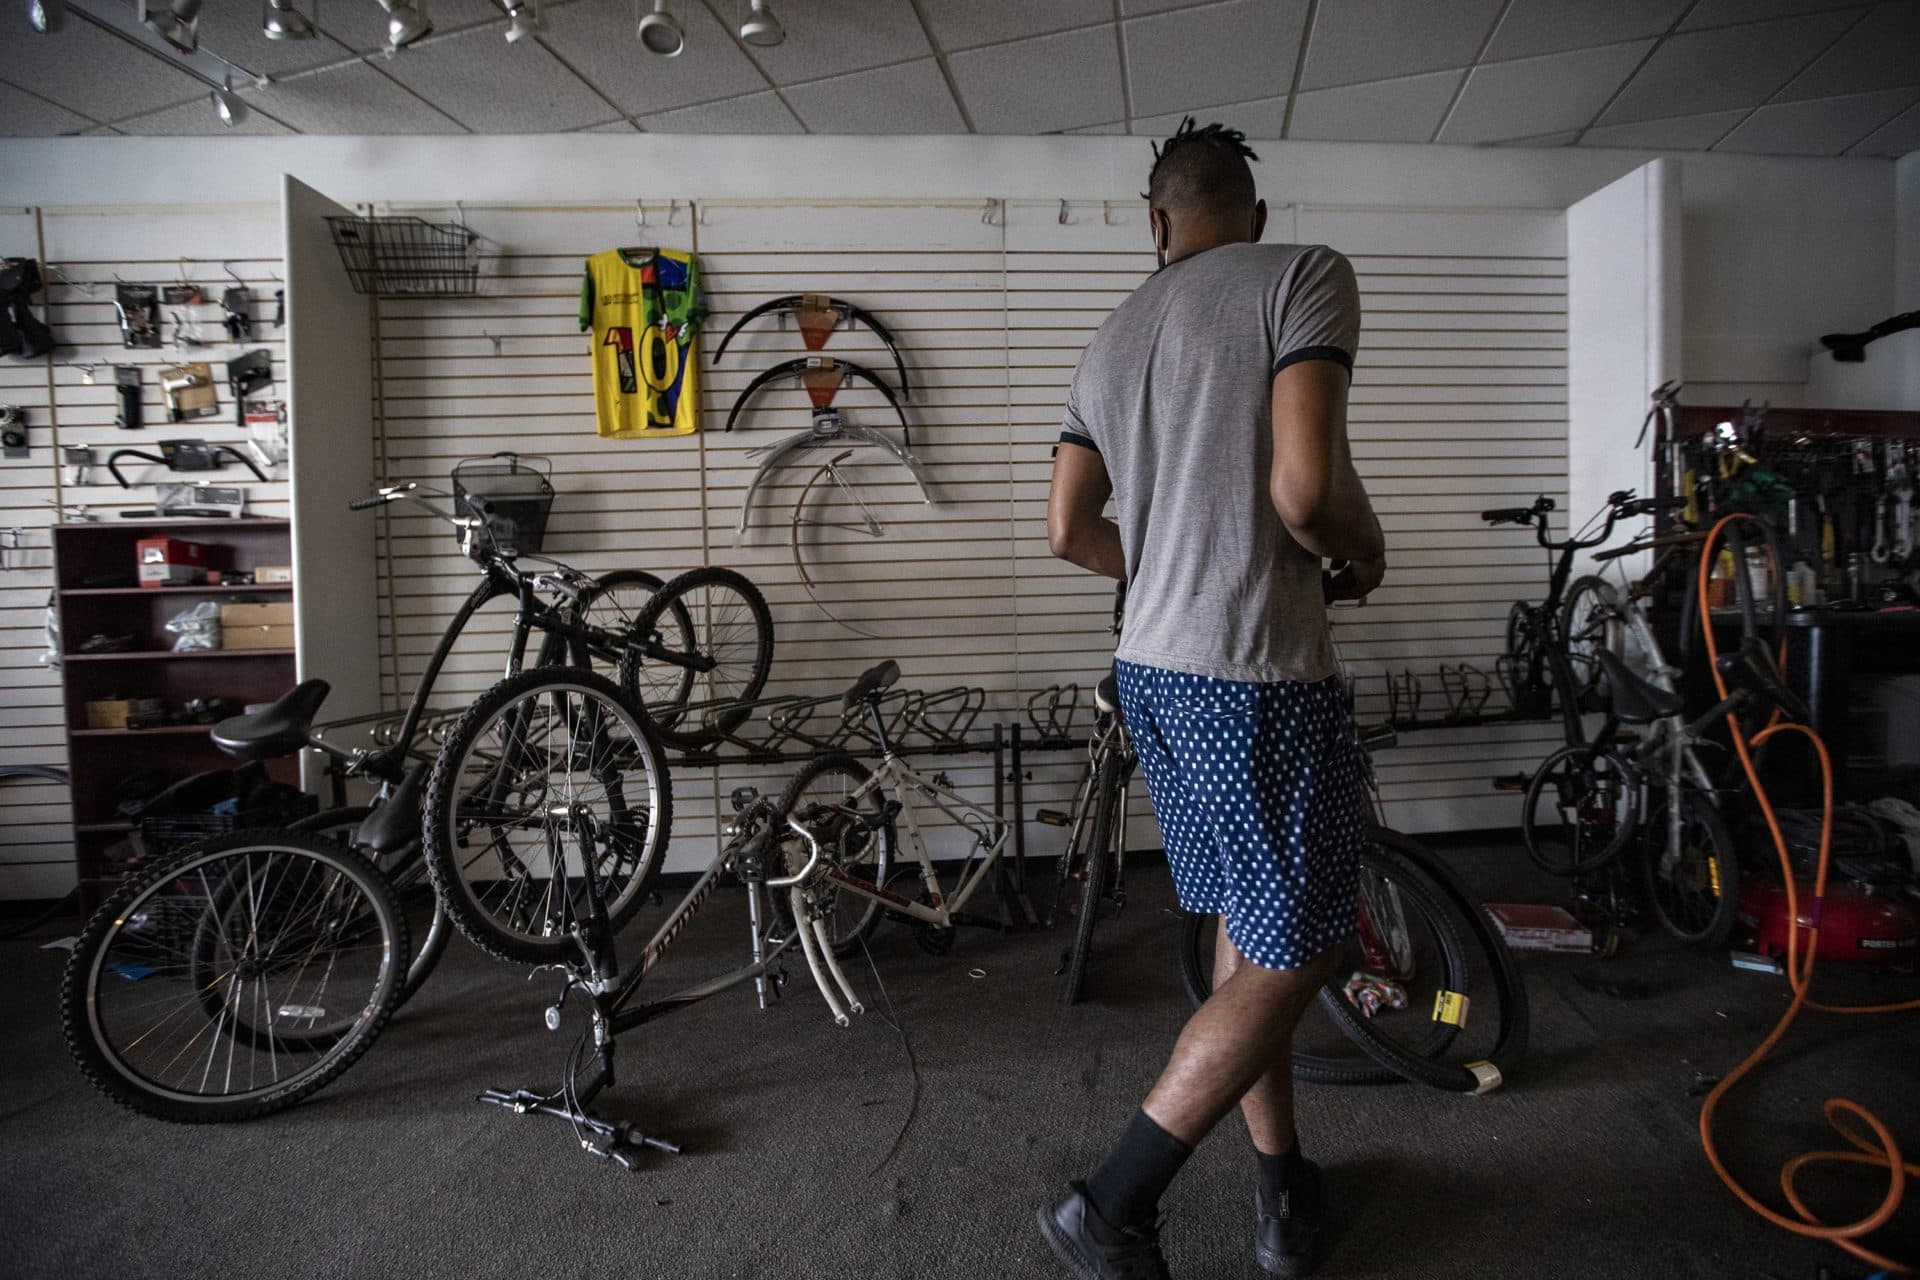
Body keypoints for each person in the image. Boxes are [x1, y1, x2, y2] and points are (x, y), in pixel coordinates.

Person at [1036, 118, 1385, 1280]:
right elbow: (1304, 488)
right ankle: (1113, 1198)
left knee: (1249, 927)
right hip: (1256, 674)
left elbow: (1068, 530)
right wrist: (1363, 545)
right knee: (1308, 941)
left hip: (1154, 670)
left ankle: (1285, 1189)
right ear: (1256, 211)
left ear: (1155, 223)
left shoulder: (1111, 332)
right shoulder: (1301, 274)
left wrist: (1166, 559)